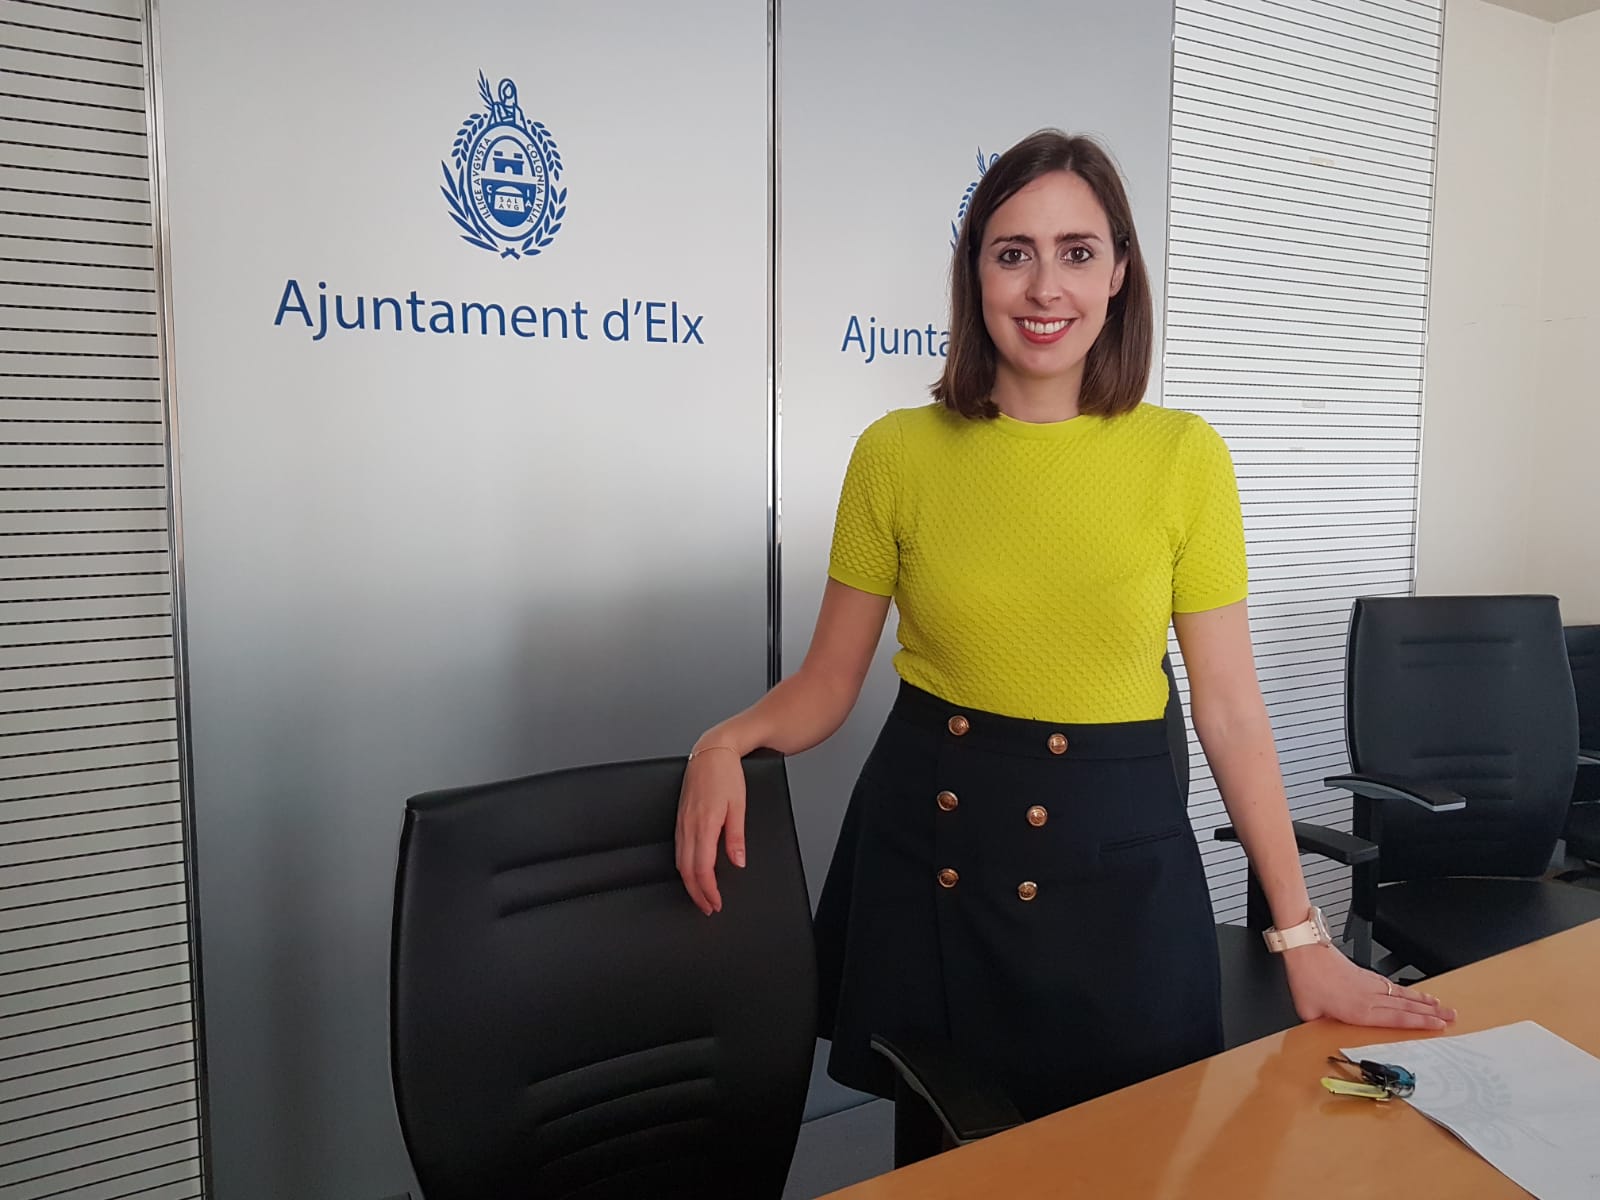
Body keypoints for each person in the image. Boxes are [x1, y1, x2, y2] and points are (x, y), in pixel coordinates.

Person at [675, 128, 1455, 1120]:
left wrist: (1303, 941)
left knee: (1131, 1158)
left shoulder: (1184, 455)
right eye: (1014, 254)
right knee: (950, 1160)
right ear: (975, 274)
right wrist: (723, 740)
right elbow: (828, 683)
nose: (1046, 288)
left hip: (1118, 873)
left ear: (1119, 271)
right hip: (938, 855)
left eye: (1077, 253)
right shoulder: (895, 453)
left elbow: (1227, 710)